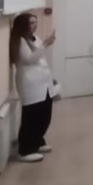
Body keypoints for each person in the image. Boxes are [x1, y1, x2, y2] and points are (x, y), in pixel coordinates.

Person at [9, 13, 58, 163]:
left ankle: (37, 142)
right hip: (30, 85)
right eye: (31, 23)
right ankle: (25, 150)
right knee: (31, 118)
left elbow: (40, 58)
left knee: (44, 116)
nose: (35, 25)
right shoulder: (20, 41)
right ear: (23, 25)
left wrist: (45, 44)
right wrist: (45, 44)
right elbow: (29, 59)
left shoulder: (35, 38)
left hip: (44, 84)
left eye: (36, 22)